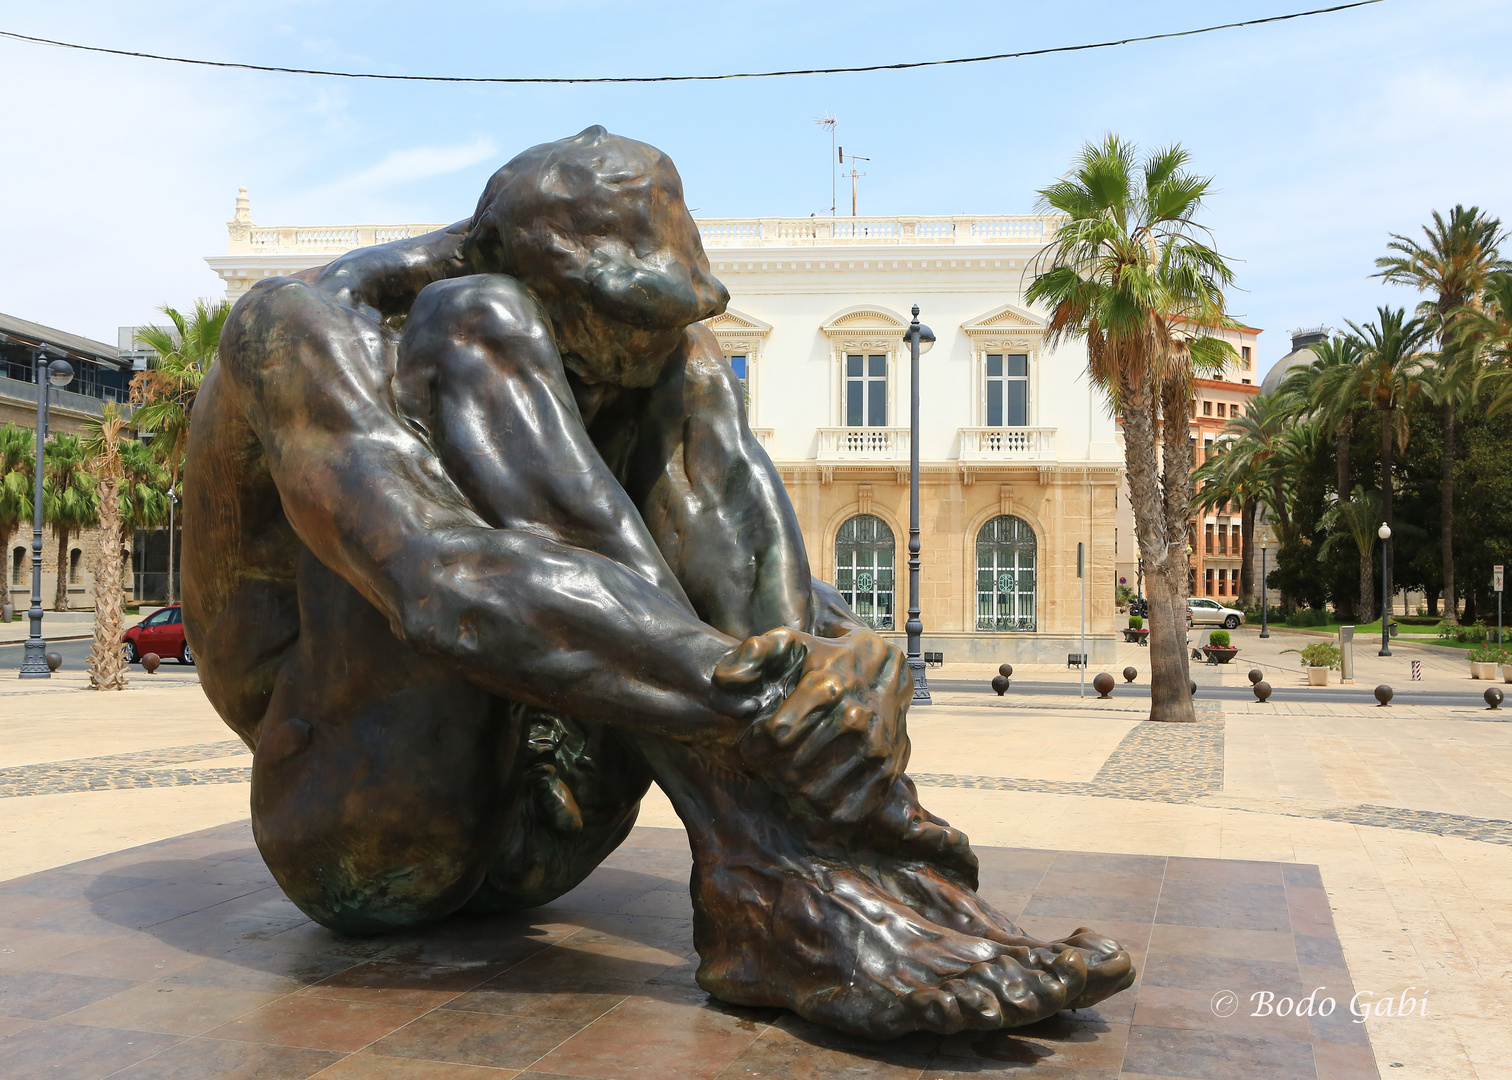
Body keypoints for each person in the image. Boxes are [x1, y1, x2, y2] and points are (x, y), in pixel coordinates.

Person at [182, 126, 1133, 1039]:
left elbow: (695, 552)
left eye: (670, 307)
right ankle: (779, 879)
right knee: (474, 328)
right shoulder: (301, 331)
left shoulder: (655, 352)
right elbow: (441, 581)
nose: (648, 342)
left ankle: (823, 862)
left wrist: (837, 657)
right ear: (523, 262)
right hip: (371, 831)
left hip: (552, 821)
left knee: (692, 372)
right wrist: (762, 692)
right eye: (626, 313)